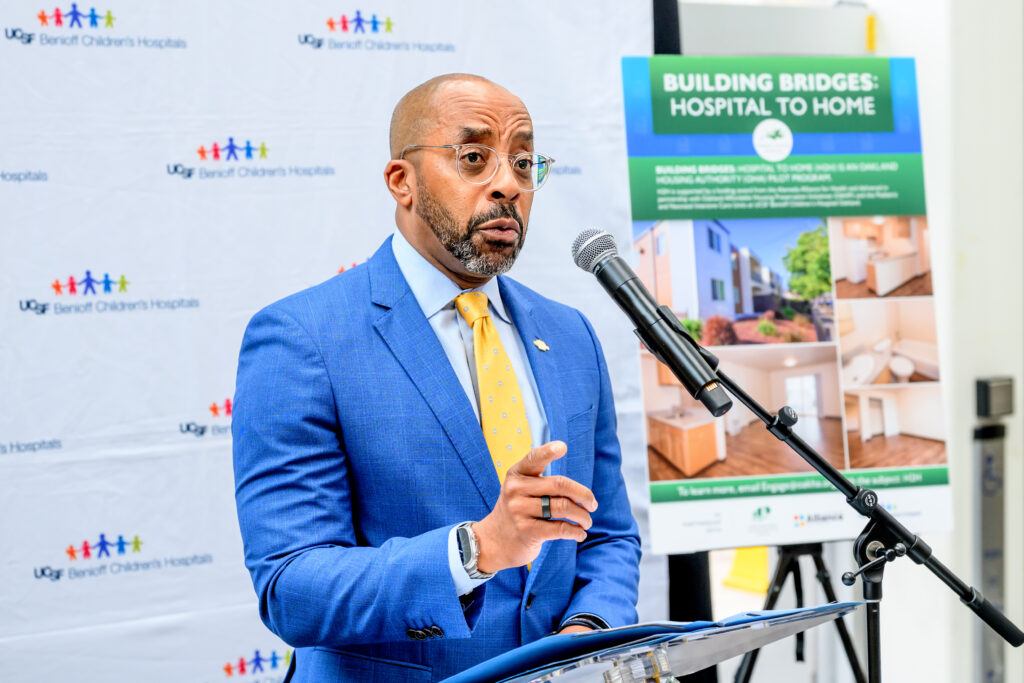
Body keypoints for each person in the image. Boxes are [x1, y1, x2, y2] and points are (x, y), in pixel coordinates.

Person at [232, 73, 641, 682]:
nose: (508, 184)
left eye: (525, 163)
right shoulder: (302, 337)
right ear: (403, 182)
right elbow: (292, 586)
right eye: (474, 158)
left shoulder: (571, 333)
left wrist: (588, 634)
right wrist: (476, 552)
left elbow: (607, 535)